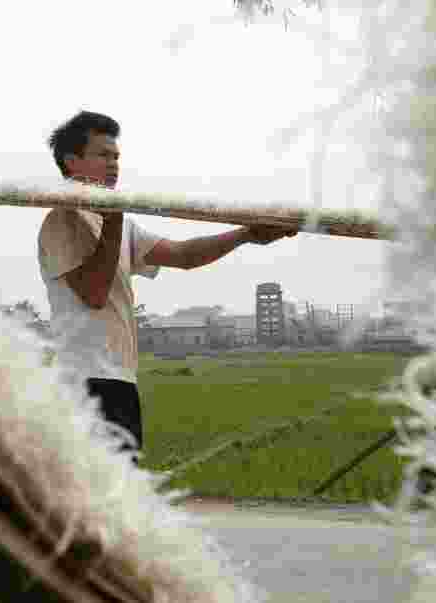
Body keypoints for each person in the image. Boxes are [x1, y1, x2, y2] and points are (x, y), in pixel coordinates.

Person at [37, 110, 295, 459]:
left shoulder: (121, 225)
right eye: (102, 155)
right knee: (102, 492)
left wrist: (246, 235)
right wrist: (114, 219)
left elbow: (184, 255)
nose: (113, 164)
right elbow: (94, 294)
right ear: (72, 161)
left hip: (119, 377)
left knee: (122, 487)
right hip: (85, 378)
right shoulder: (62, 219)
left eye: (116, 156)